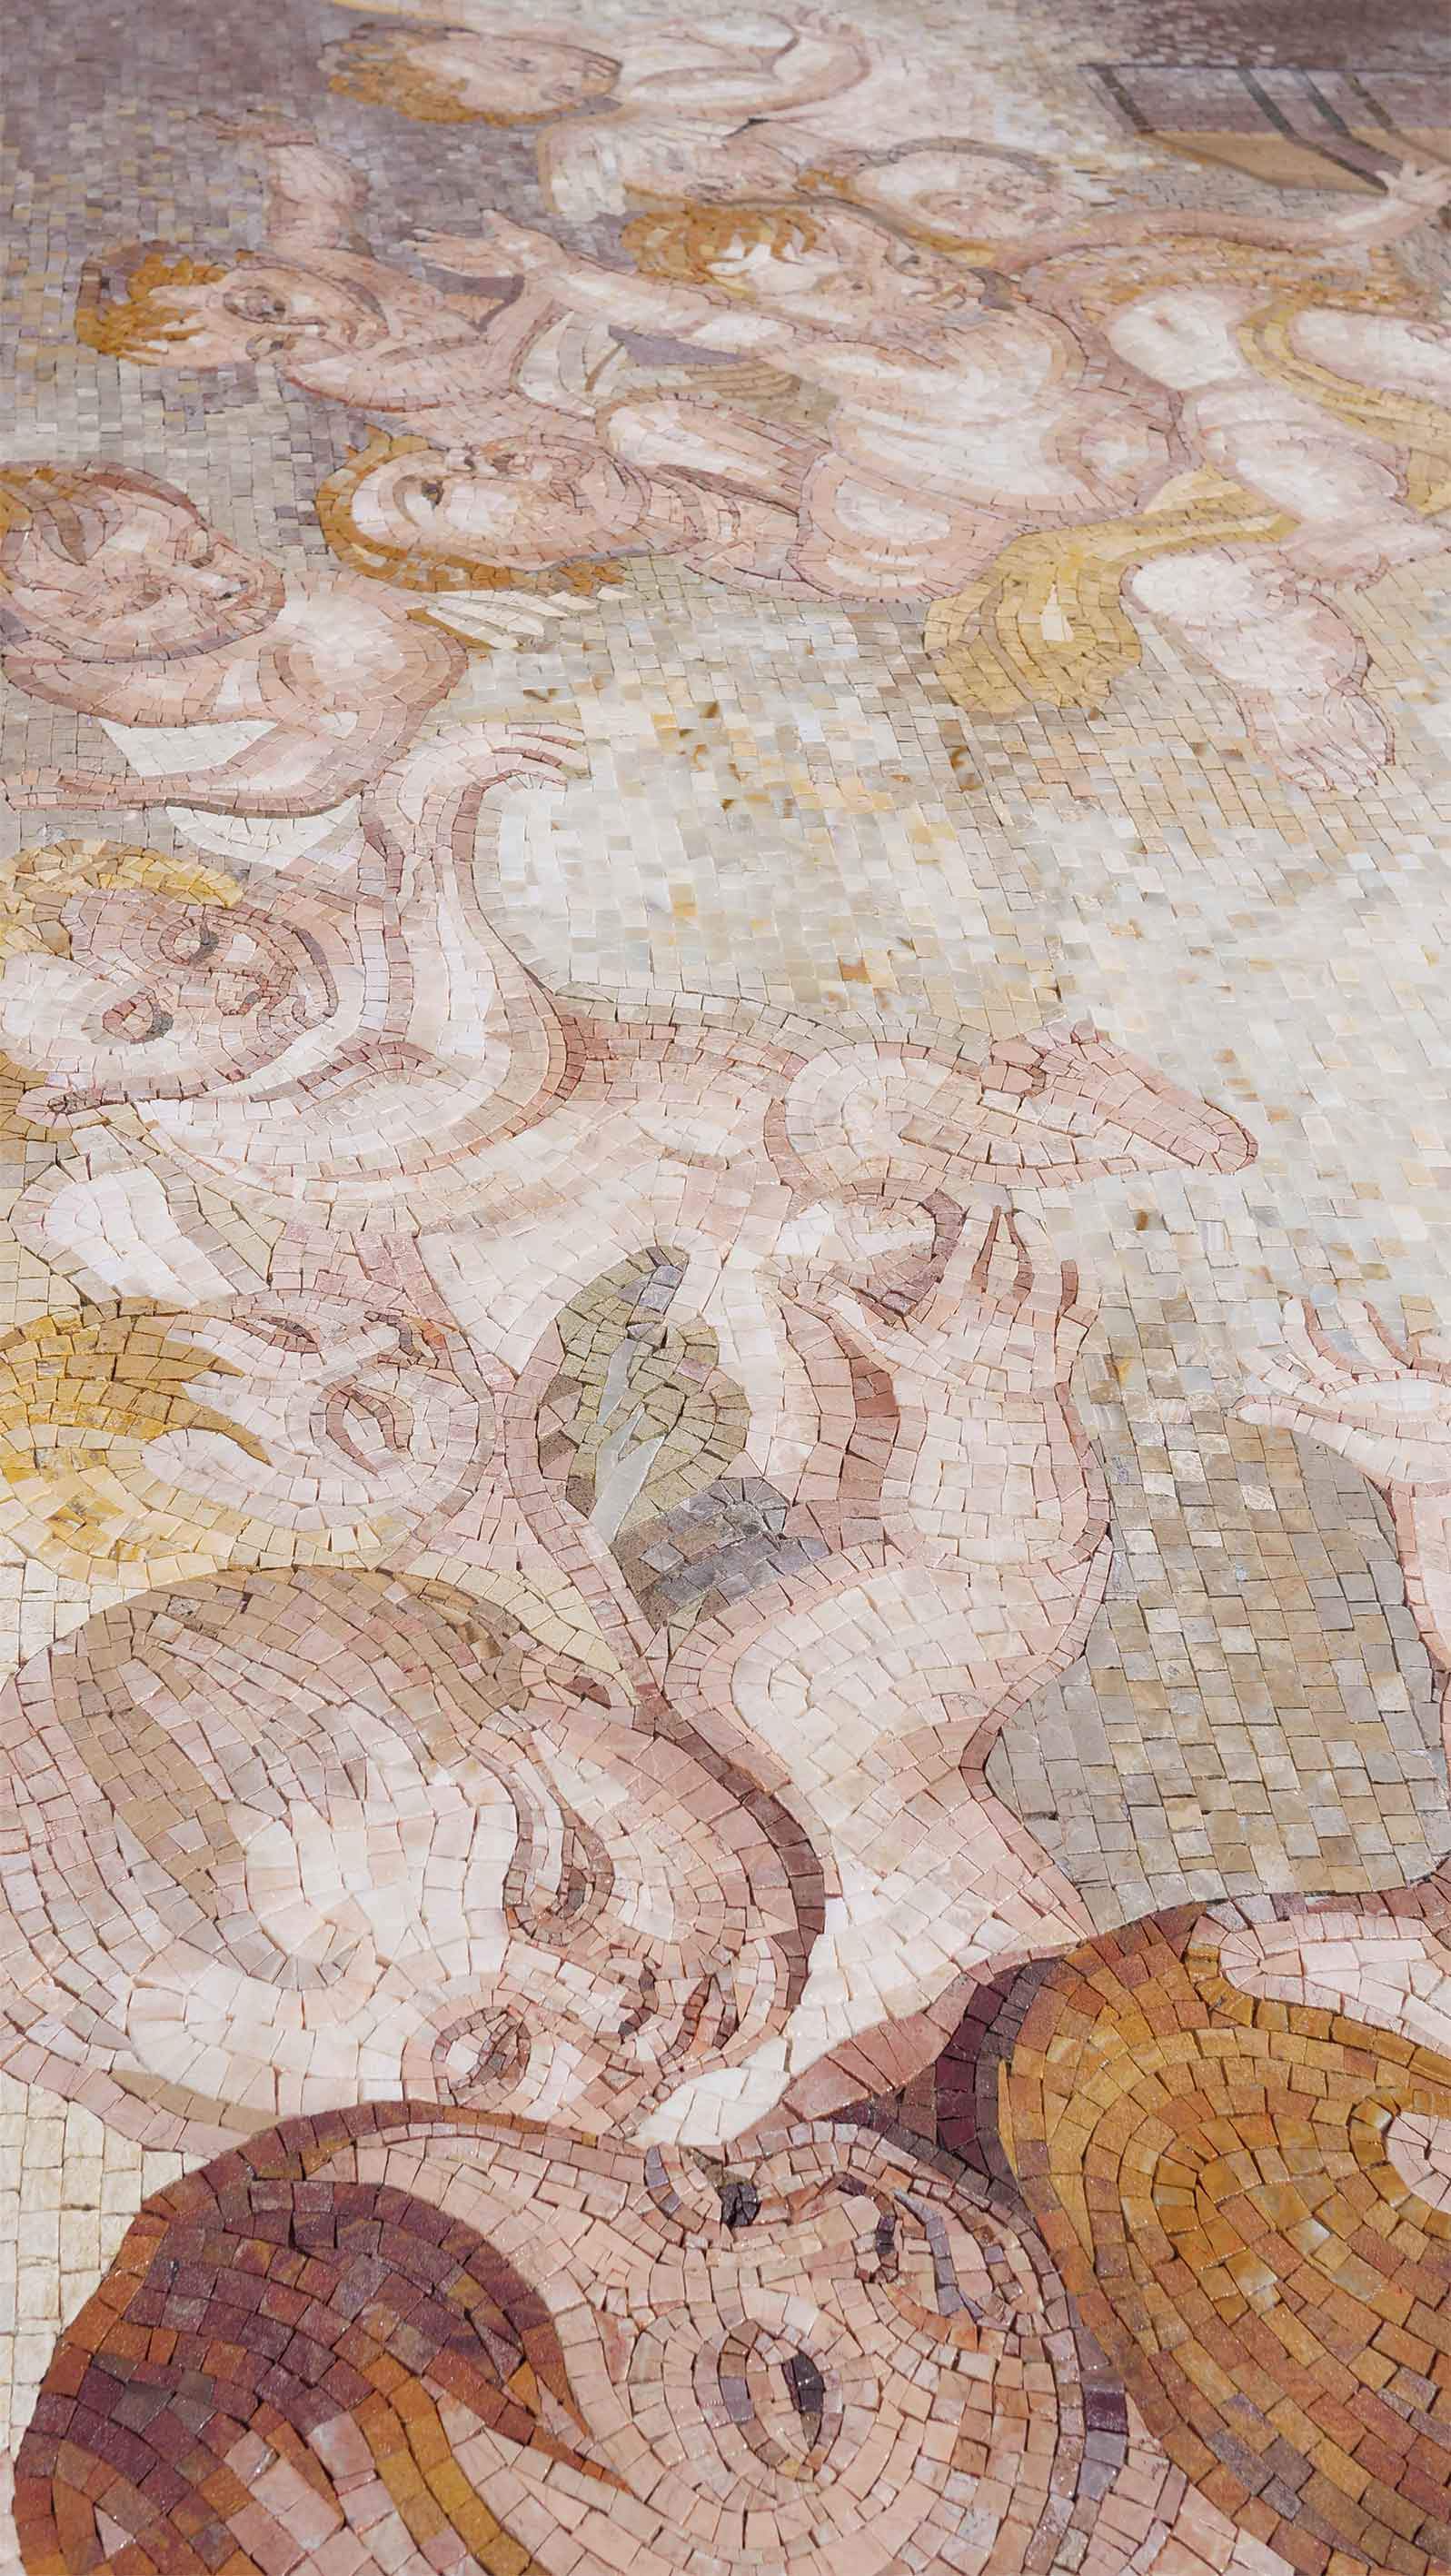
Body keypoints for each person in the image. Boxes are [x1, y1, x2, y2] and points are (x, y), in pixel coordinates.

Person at [0, 460, 466, 816]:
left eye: (203, 553)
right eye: (142, 597)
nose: (220, 584)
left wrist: (130, 793)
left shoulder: (324, 617)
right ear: (33, 651)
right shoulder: (83, 689)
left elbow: (337, 756)